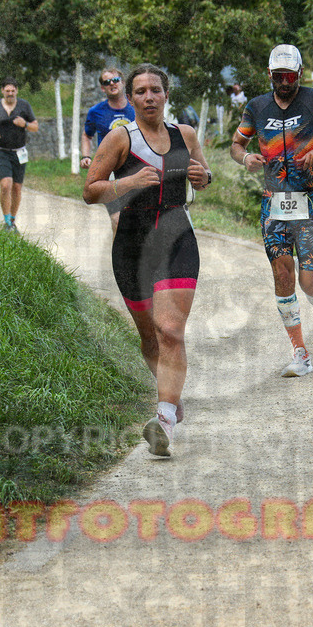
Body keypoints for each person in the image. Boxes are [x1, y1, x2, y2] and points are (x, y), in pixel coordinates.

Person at [83, 63, 211, 457]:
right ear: (132, 97)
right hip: (132, 247)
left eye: (156, 90)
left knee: (170, 330)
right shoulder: (120, 138)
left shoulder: (184, 135)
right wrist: (128, 183)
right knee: (149, 337)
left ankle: (165, 418)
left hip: (177, 240)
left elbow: (204, 175)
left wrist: (202, 178)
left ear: (166, 95)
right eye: (141, 91)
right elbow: (90, 191)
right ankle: (169, 395)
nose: (149, 97)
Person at [229, 44, 313, 377]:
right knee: (282, 274)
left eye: (290, 76)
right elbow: (237, 145)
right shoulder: (256, 107)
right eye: (278, 76)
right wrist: (245, 158)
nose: (284, 82)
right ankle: (300, 353)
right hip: (274, 202)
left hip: (308, 200)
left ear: (300, 73)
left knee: (309, 285)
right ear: (269, 75)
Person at [0, 77, 38, 232]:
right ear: (2, 91)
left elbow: (35, 126)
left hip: (19, 152)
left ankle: (12, 220)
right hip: (0, 151)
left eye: (13, 91)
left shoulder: (24, 106)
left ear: (17, 91)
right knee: (6, 185)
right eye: (7, 91)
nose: (10, 93)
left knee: (17, 188)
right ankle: (6, 222)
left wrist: (24, 124)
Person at [80, 68, 136, 232]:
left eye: (115, 79)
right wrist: (85, 156)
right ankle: (119, 257)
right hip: (108, 170)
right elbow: (87, 136)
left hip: (134, 169)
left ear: (123, 83)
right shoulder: (96, 112)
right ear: (102, 88)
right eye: (106, 82)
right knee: (118, 219)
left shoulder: (137, 107)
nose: (112, 84)